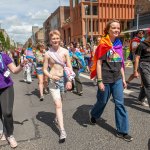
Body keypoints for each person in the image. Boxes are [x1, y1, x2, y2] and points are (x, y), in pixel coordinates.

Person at [89, 19, 133, 142]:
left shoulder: (119, 43)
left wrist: (124, 79)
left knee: (120, 104)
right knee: (102, 101)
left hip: (117, 78)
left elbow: (121, 64)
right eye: (113, 28)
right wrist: (99, 81)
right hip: (105, 79)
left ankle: (122, 131)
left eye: (118, 28)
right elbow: (98, 64)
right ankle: (94, 114)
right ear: (108, 29)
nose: (116, 30)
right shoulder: (103, 44)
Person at [43, 30, 73, 143]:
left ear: (60, 39)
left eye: (57, 38)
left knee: (62, 100)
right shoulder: (47, 54)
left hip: (63, 80)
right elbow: (45, 69)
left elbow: (69, 67)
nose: (55, 40)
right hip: (53, 81)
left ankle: (56, 117)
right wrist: (51, 76)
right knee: (58, 104)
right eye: (53, 39)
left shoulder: (65, 51)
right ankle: (62, 130)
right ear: (50, 41)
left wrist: (69, 80)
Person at [0, 49, 26, 148]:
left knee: (7, 112)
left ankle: (10, 134)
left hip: (6, 86)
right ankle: (2, 130)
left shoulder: (4, 56)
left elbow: (14, 70)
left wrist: (21, 65)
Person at [134, 28, 150, 108]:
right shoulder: (141, 45)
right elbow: (137, 58)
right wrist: (135, 71)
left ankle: (140, 99)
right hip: (144, 65)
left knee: (146, 84)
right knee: (148, 84)